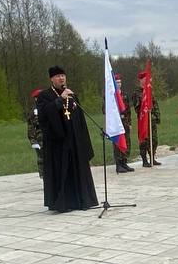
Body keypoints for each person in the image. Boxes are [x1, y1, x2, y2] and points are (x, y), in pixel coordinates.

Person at [36, 66, 99, 212]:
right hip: (58, 142)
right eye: (58, 76)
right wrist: (60, 100)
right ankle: (64, 203)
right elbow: (44, 114)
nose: (61, 78)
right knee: (62, 171)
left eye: (63, 75)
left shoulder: (72, 95)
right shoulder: (45, 96)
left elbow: (80, 119)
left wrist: (83, 141)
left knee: (77, 169)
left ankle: (82, 200)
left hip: (74, 140)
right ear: (51, 79)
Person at [135, 68, 161, 167]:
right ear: (141, 80)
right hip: (143, 121)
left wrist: (157, 116)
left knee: (154, 140)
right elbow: (138, 108)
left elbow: (155, 104)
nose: (148, 81)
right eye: (146, 79)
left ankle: (152, 158)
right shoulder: (137, 93)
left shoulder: (150, 91)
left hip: (152, 119)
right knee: (144, 141)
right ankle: (144, 160)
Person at [110, 74, 136, 174]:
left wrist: (130, 123)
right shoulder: (111, 95)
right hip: (116, 123)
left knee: (126, 142)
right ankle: (118, 164)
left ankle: (124, 162)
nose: (119, 84)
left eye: (120, 82)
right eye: (117, 82)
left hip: (124, 121)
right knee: (117, 143)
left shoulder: (124, 95)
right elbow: (105, 109)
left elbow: (128, 110)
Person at [26, 88, 45, 178]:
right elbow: (31, 127)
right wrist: (33, 141)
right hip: (40, 137)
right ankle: (44, 176)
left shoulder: (47, 107)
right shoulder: (34, 111)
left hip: (50, 136)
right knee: (42, 158)